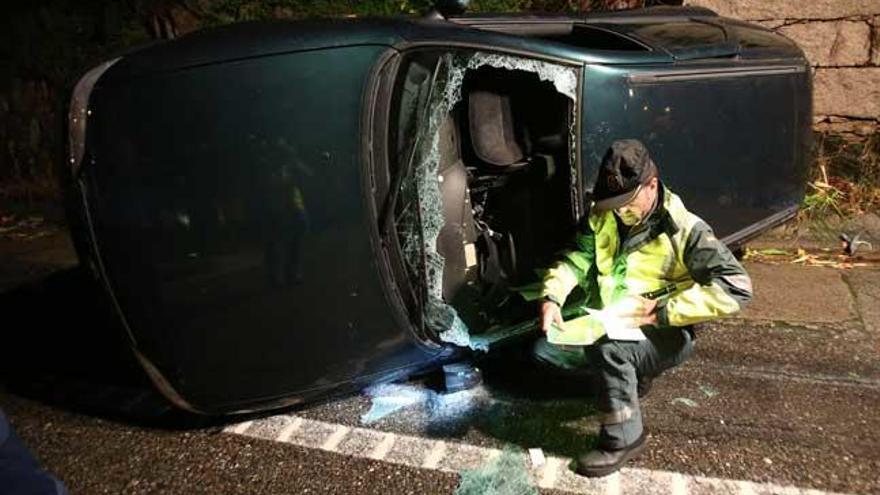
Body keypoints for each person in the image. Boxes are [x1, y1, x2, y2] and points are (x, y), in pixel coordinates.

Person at [535, 139, 753, 477]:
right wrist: (552, 297)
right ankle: (629, 382)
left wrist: (663, 311)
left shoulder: (684, 229)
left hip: (667, 330)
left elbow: (737, 286)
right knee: (544, 349)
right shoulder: (603, 214)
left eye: (628, 202)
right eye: (614, 203)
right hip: (612, 319)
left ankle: (624, 439)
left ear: (652, 185)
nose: (620, 211)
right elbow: (575, 258)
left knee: (610, 352)